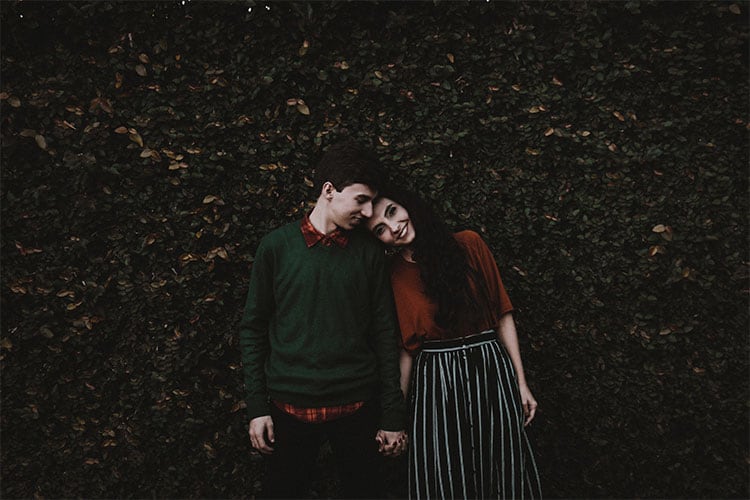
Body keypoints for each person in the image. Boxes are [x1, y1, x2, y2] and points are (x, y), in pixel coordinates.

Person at [238, 140, 408, 499]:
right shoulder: (276, 247)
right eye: (361, 199)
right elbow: (253, 328)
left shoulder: (369, 254)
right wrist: (257, 407)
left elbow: (384, 333)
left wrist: (392, 416)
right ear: (329, 190)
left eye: (371, 203)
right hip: (289, 407)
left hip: (358, 405)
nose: (366, 212)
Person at [365, 186, 542, 500]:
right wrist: (395, 416)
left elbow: (503, 315)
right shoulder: (393, 274)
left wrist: (521, 383)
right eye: (380, 229)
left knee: (501, 463)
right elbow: (407, 348)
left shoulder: (470, 244)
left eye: (392, 212)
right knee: (445, 470)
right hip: (437, 381)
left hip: (489, 369)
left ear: (408, 205)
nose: (393, 227)